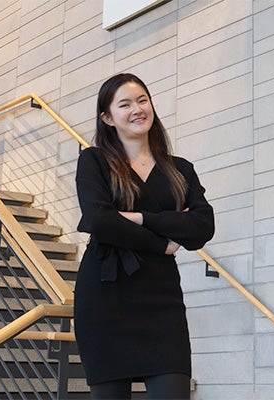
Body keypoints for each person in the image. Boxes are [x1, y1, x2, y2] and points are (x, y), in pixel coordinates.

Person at [74, 73, 215, 399]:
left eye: (142, 100)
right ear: (107, 117)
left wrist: (138, 217)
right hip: (104, 297)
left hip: (161, 299)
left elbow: (202, 227)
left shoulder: (180, 169)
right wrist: (161, 241)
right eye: (124, 104)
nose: (137, 109)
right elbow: (99, 220)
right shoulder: (94, 160)